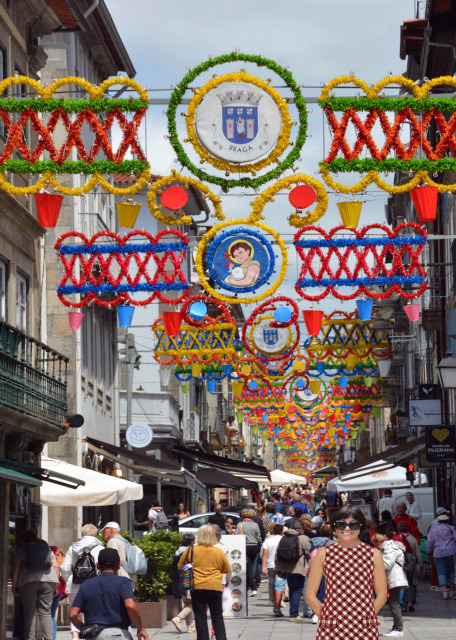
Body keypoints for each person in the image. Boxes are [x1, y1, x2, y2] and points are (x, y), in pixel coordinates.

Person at [306, 507, 387, 640]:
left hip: (364, 625)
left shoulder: (374, 554)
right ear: (334, 526)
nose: (347, 528)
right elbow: (310, 594)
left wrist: (368, 615)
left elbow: (382, 594)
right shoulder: (323, 554)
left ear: (361, 526)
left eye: (353, 524)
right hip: (332, 623)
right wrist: (325, 616)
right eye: (341, 524)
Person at [69, 547, 148, 640]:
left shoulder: (86, 584)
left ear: (98, 565)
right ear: (119, 565)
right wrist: (140, 628)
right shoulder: (123, 582)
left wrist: (84, 629)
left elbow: (73, 614)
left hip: (94, 635)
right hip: (118, 634)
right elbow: (130, 605)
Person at [178, 525, 231, 640]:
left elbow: (180, 566)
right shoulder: (218, 552)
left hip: (197, 586)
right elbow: (227, 569)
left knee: (200, 617)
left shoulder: (191, 550)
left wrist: (191, 566)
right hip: (214, 586)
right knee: (217, 616)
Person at [11, 529, 60, 640]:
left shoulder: (22, 549)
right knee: (46, 613)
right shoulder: (45, 547)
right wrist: (55, 585)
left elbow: (16, 568)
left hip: (28, 581)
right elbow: (56, 566)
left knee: (30, 612)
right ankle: (49, 638)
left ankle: (30, 638)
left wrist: (14, 586)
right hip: (48, 580)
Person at [60, 523, 104, 639]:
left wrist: (69, 578)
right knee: (93, 611)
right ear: (95, 535)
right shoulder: (100, 548)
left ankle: (75, 636)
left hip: (75, 585)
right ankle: (92, 634)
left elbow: (64, 567)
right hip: (94, 586)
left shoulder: (73, 547)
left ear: (82, 534)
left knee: (75, 612)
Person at [371, 532, 408, 637]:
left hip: (395, 578)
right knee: (393, 603)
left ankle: (398, 629)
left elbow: (387, 563)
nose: (376, 547)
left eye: (375, 544)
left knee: (394, 603)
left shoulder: (390, 548)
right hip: (394, 578)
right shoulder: (390, 547)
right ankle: (396, 627)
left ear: (379, 542)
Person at [274, 520, 310, 621]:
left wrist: (277, 567)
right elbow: (308, 553)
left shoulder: (284, 537)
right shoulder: (303, 538)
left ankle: (292, 613)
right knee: (297, 591)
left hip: (286, 568)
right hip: (298, 568)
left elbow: (277, 553)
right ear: (301, 528)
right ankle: (294, 615)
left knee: (292, 590)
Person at [426, 512, 456, 599]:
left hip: (438, 553)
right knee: (452, 571)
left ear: (438, 521)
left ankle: (444, 592)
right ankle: (452, 591)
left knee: (441, 572)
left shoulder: (433, 530)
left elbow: (430, 542)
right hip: (450, 552)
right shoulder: (451, 528)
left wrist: (428, 552)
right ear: (447, 521)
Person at [396, 521, 424, 611]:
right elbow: (418, 553)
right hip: (410, 563)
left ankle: (403, 605)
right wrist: (421, 565)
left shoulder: (395, 538)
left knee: (401, 584)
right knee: (410, 583)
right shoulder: (412, 539)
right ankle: (410, 602)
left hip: (399, 563)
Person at [172, 533, 196, 633]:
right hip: (189, 581)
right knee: (195, 603)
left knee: (187, 603)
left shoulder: (177, 552)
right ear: (191, 542)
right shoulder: (188, 552)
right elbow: (188, 567)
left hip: (180, 582)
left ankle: (190, 627)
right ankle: (178, 618)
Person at [235, 508, 262, 596]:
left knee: (247, 567)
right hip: (254, 546)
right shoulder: (255, 525)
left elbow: (237, 535)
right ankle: (249, 587)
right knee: (251, 565)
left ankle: (253, 588)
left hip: (245, 546)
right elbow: (258, 537)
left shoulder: (240, 524)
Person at [261, 523, 285, 617]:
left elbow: (265, 553)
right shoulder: (283, 540)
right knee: (279, 586)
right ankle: (277, 608)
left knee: (272, 585)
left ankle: (275, 606)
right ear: (282, 531)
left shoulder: (268, 540)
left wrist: (263, 566)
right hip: (281, 566)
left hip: (270, 566)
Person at [49, 545, 66, 640]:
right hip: (59, 588)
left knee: (44, 614)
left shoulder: (48, 555)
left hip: (50, 588)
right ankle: (53, 637)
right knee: (52, 615)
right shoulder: (60, 556)